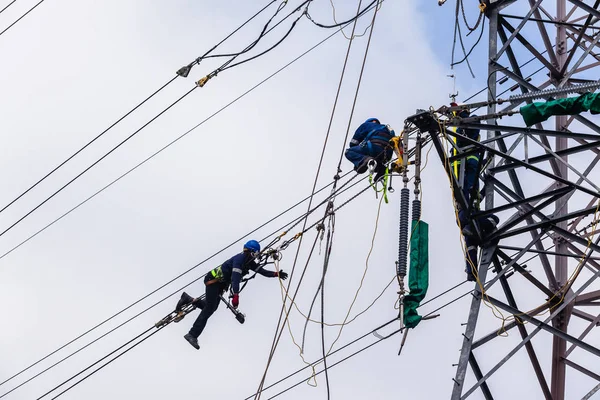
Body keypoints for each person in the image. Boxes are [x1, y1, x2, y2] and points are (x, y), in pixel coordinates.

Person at [177, 240, 288, 350]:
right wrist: (236, 295)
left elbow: (262, 271)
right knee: (209, 309)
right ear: (252, 252)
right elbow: (235, 279)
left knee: (212, 307)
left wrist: (276, 274)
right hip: (213, 281)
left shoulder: (248, 262)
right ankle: (192, 334)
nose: (256, 257)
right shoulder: (240, 260)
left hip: (219, 284)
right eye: (255, 254)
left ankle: (187, 299)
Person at [449, 106, 481, 208]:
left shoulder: (473, 119)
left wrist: (461, 117)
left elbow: (473, 128)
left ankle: (470, 193)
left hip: (469, 153)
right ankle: (463, 201)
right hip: (460, 156)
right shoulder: (458, 128)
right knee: (461, 182)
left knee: (470, 173)